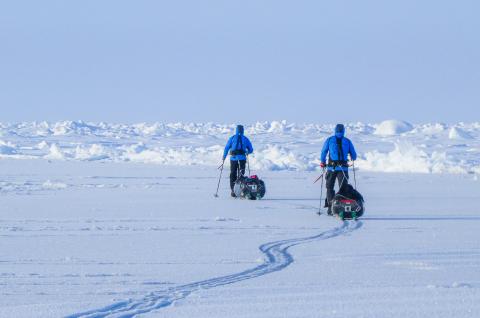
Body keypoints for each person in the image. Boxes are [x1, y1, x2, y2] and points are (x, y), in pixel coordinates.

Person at [320, 124, 357, 214]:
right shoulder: (347, 141)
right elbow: (354, 156)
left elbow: (324, 152)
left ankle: (330, 207)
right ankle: (342, 207)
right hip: (343, 169)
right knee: (343, 188)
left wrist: (323, 162)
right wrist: (351, 156)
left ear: (335, 130)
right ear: (343, 131)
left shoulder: (329, 140)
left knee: (329, 187)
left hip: (331, 168)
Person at [223, 125, 254, 197]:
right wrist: (247, 152)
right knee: (241, 175)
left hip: (233, 159)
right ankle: (241, 190)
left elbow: (227, 148)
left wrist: (224, 157)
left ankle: (233, 191)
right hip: (242, 159)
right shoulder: (245, 139)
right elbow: (251, 149)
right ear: (243, 130)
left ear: (236, 130)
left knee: (233, 174)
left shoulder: (232, 138)